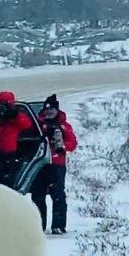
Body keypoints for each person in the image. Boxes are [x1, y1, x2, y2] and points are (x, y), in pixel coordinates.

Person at [31, 94, 78, 235]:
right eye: (47, 110)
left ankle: (58, 225)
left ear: (57, 110)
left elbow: (72, 143)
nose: (49, 112)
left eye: (51, 109)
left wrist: (62, 146)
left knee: (58, 195)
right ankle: (39, 226)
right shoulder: (38, 125)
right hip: (39, 164)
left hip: (56, 164)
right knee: (37, 196)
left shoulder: (63, 126)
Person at [0, 91, 34, 188]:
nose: (2, 107)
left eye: (5, 104)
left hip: (9, 154)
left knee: (7, 182)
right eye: (0, 104)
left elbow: (27, 125)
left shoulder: (17, 117)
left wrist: (14, 116)